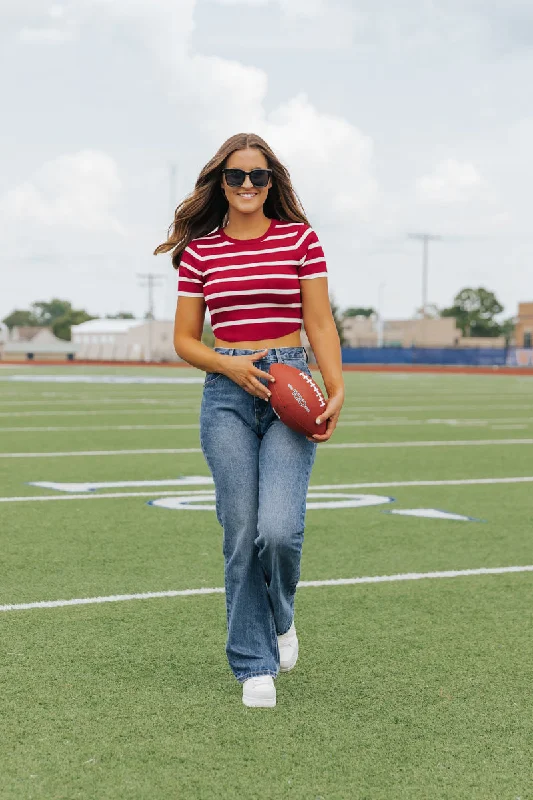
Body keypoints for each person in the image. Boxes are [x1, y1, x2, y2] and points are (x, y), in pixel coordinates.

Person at [154, 133, 344, 708]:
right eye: (234, 177)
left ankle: (281, 617)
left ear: (271, 183)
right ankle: (252, 663)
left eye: (257, 177)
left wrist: (336, 386)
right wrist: (230, 366)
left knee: (279, 531)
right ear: (220, 183)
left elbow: (320, 322)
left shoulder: (300, 239)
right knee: (240, 533)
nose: (245, 186)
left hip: (291, 386)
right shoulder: (201, 252)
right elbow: (185, 340)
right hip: (227, 395)